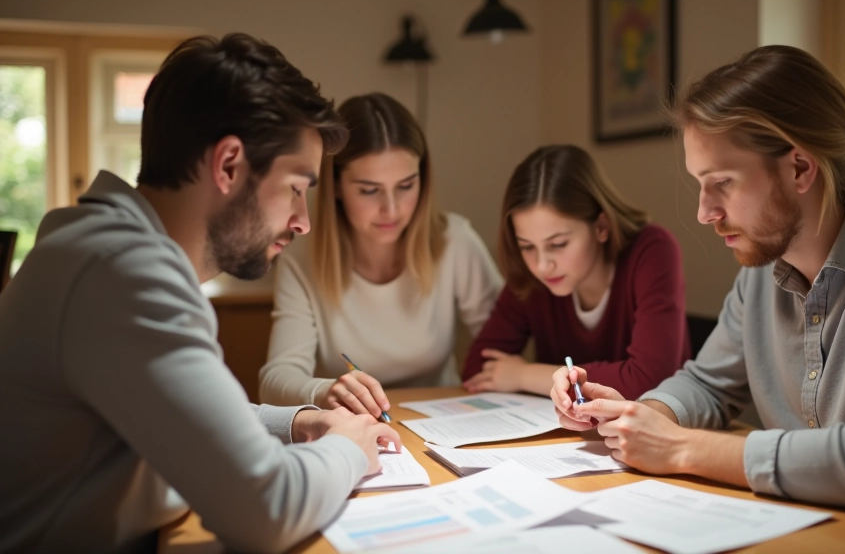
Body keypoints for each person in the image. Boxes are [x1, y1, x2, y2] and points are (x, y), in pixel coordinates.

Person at [551, 45, 845, 540]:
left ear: (800, 168)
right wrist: (640, 416)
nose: (704, 212)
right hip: (830, 528)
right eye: (699, 184)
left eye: (723, 184)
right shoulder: (764, 265)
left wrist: (678, 448)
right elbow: (709, 385)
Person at [0, 33, 401, 554]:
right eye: (296, 188)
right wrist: (348, 448)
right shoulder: (125, 274)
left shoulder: (102, 250)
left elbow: (196, 415)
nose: (302, 222)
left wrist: (302, 420)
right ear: (229, 165)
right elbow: (267, 511)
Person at [260, 93, 502, 416]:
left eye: (406, 186)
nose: (391, 209)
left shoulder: (454, 241)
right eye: (369, 190)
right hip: (357, 428)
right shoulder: (301, 257)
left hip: (447, 425)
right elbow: (275, 380)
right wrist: (325, 390)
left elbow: (506, 345)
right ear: (335, 186)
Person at [463, 145, 690, 400]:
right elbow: (478, 371)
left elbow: (650, 381)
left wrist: (523, 375)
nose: (542, 265)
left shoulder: (652, 251)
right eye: (527, 246)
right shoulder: (533, 276)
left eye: (558, 244)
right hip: (569, 435)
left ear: (601, 227)